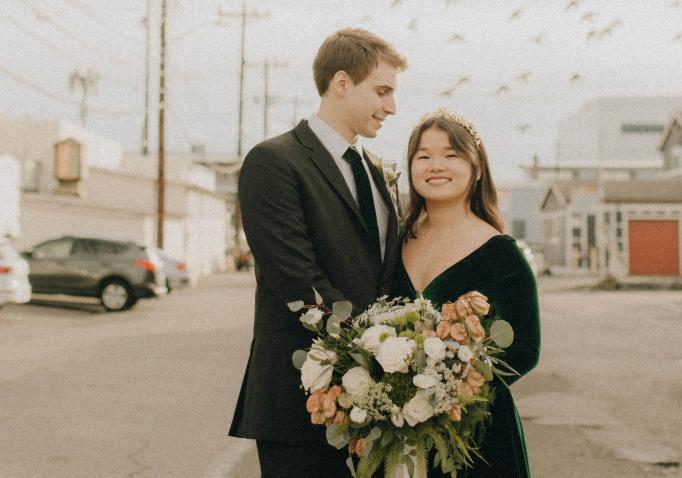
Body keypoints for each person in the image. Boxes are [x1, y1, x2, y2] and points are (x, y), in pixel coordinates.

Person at [228, 29, 407, 478]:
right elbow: (297, 281)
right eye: (382, 91)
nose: (392, 108)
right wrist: (383, 350)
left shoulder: (377, 174)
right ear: (342, 83)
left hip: (379, 409)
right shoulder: (274, 162)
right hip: (300, 402)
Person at [391, 110, 541, 477]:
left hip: (475, 436)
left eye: (451, 155)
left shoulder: (500, 252)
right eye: (423, 156)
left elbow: (525, 348)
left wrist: (452, 388)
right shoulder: (393, 244)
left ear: (476, 168)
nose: (436, 165)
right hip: (397, 432)